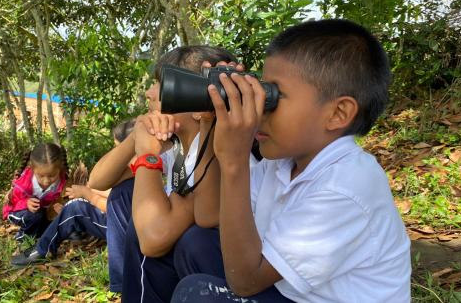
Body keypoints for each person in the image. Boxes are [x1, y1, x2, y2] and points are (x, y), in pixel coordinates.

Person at [170, 19, 411, 303]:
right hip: (291, 292)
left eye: (273, 96)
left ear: (337, 114)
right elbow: (209, 216)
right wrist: (213, 122)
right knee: (196, 244)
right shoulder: (284, 162)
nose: (260, 109)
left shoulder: (345, 185)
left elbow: (245, 281)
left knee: (200, 295)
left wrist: (234, 161)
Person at [86, 45, 239, 298]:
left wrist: (147, 156)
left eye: (162, 84)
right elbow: (98, 180)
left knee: (146, 225)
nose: (150, 92)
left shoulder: (214, 155)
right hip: (190, 260)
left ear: (200, 103)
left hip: (215, 269)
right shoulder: (176, 145)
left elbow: (153, 239)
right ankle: (128, 288)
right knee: (123, 193)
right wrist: (137, 136)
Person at [10, 119, 135, 276]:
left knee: (75, 207)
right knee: (76, 205)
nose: (117, 154)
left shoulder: (139, 172)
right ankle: (47, 244)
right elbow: (108, 191)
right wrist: (89, 190)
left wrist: (87, 194)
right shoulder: (131, 169)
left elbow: (115, 206)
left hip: (124, 229)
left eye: (120, 149)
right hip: (119, 222)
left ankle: (42, 250)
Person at [2, 142, 68, 242]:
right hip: (19, 211)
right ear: (32, 169)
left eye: (52, 176)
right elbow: (12, 204)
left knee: (57, 220)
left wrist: (63, 208)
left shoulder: (64, 183)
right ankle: (24, 236)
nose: (46, 181)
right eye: (41, 176)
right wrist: (26, 203)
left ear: (60, 169)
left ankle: (39, 233)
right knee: (35, 215)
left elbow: (69, 202)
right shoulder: (24, 183)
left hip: (45, 214)